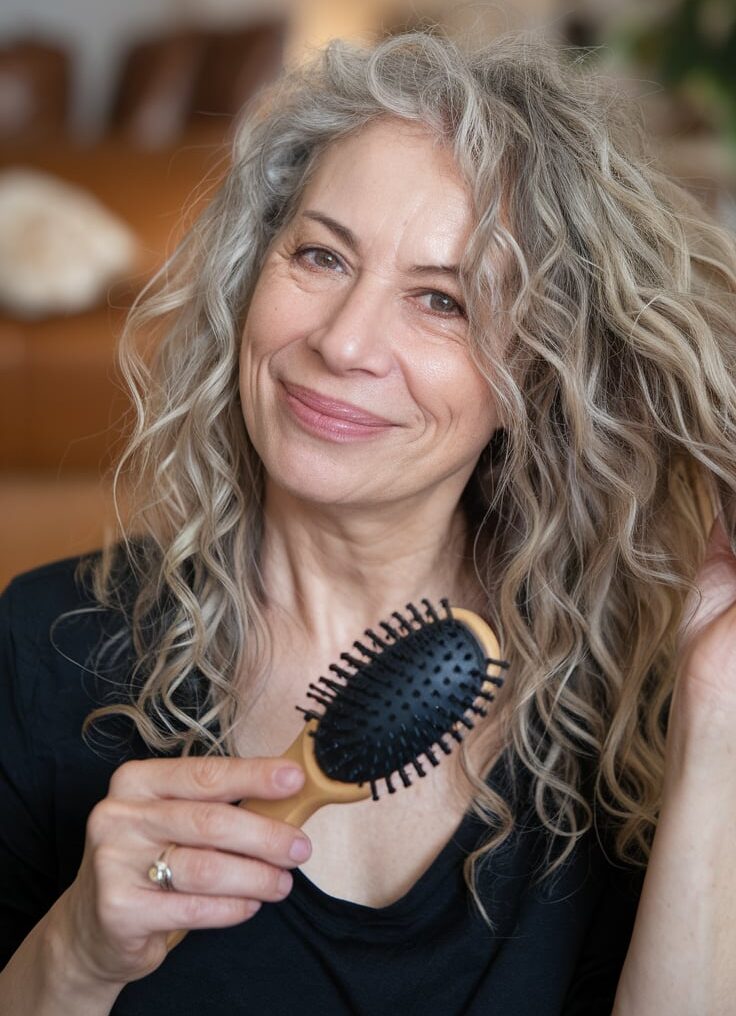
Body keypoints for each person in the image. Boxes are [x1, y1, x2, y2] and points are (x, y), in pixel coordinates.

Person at [2, 25, 736, 1016]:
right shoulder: (41, 646)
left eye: (443, 300)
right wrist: (77, 954)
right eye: (320, 255)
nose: (345, 341)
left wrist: (713, 710)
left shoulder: (628, 709)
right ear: (247, 274)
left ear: (538, 370)